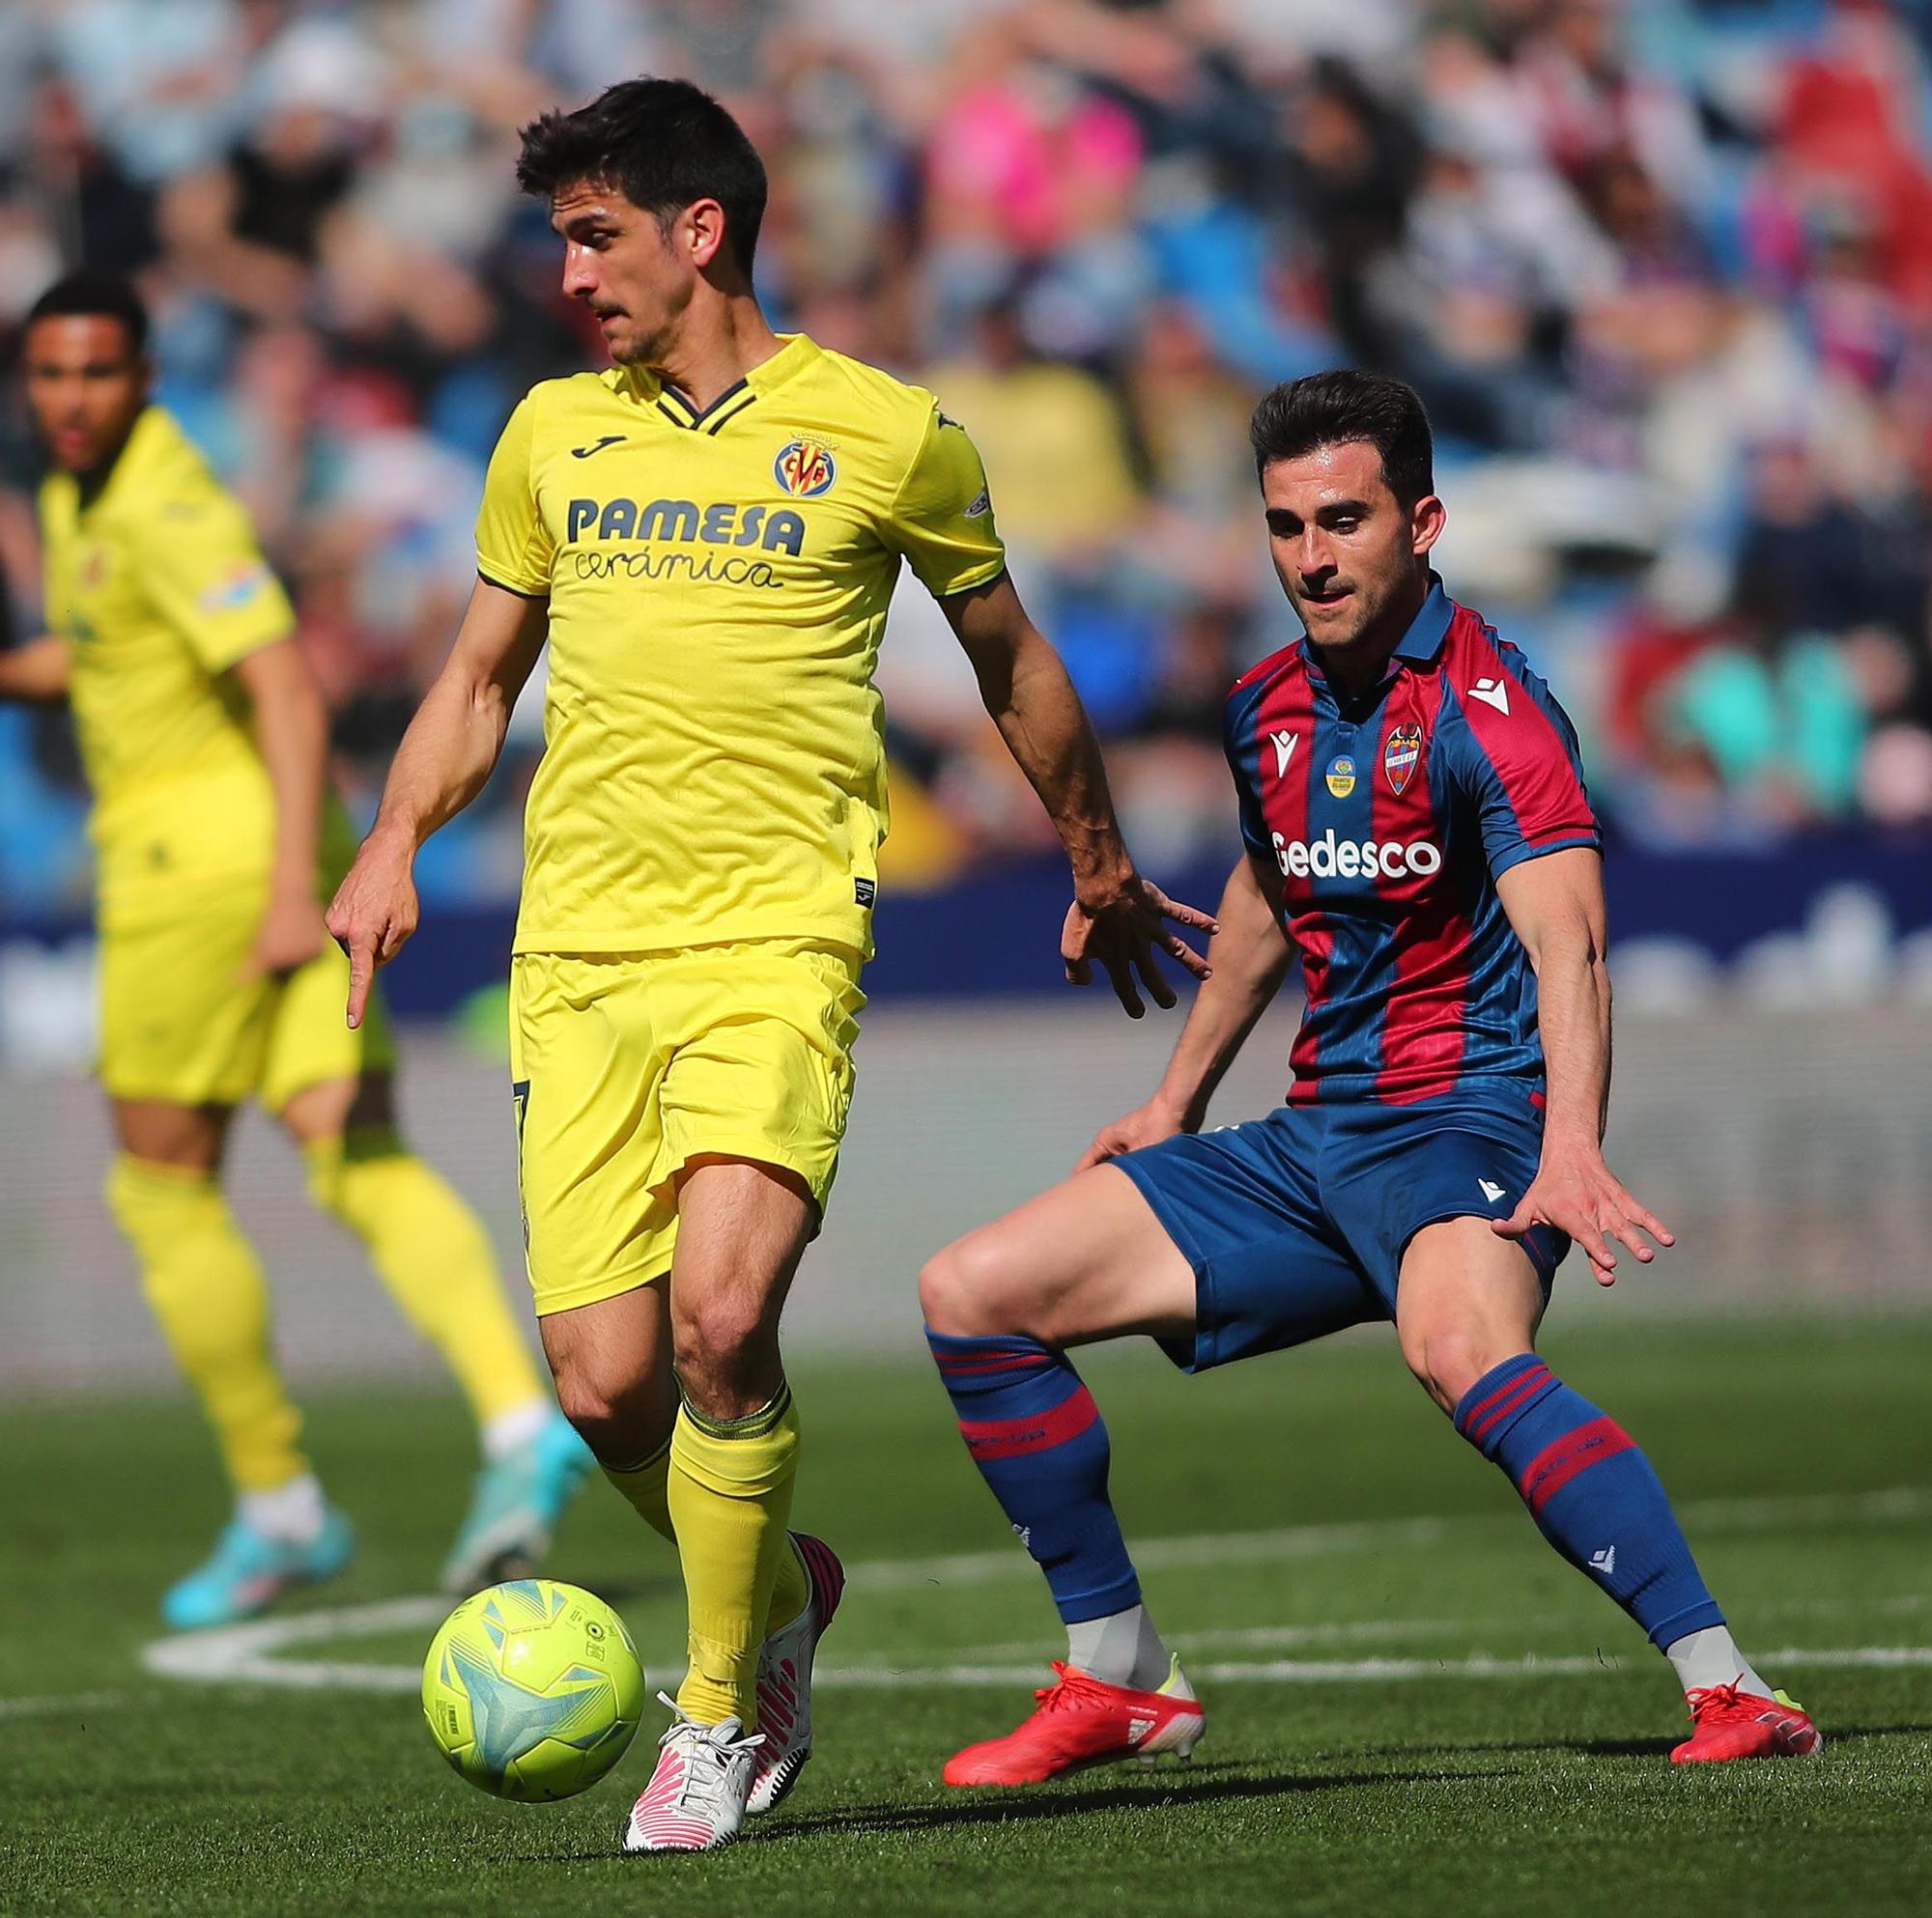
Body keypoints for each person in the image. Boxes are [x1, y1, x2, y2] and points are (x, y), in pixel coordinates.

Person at [324, 77, 1209, 1854]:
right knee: (603, 1385)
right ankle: (783, 1592)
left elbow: (1009, 656)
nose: (568, 273)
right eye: (560, 238)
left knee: (727, 1321)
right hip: (577, 953)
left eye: (594, 235)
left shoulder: (884, 433)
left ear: (699, 228)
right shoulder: (552, 435)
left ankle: (719, 1708)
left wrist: (1099, 855)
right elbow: (483, 679)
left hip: (777, 941)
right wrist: (393, 834)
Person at [918, 369, 1824, 1785]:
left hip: (1467, 1124)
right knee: (972, 1294)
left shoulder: (1494, 707)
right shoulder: (1268, 703)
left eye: (1344, 520)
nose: (1312, 557)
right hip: (1310, 1142)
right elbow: (1272, 895)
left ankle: (1731, 1685)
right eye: (1285, 525)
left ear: (1424, 521)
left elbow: (1569, 940)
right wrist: (1175, 1103)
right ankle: (1120, 1672)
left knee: (1460, 1346)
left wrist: (1568, 1143)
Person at [0, 271, 592, 1631]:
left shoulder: (157, 495)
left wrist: (283, 889)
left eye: (97, 373)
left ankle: (279, 1505)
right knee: (356, 1149)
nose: (72, 400)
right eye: (50, 375)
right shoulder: (78, 495)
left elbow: (281, 678)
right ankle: (520, 1420)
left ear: (150, 376)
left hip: (199, 876)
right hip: (267, 857)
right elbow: (110, 659)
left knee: (163, 1189)